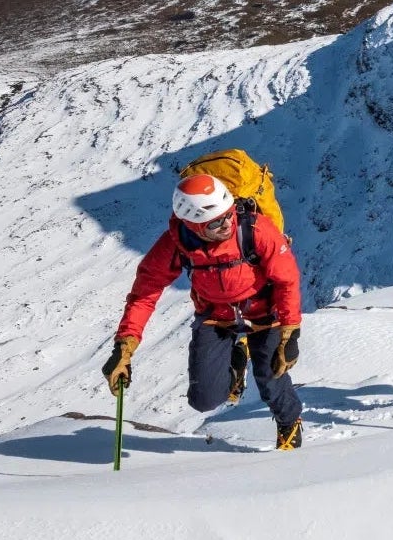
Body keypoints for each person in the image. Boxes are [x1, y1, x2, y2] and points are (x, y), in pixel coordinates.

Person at [100, 173, 305, 450]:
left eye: (229, 214)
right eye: (216, 222)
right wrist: (124, 348)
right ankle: (236, 361)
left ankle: (289, 423)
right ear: (192, 225)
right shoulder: (176, 244)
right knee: (204, 400)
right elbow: (144, 294)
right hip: (216, 318)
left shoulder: (255, 229)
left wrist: (290, 331)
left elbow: (286, 278)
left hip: (264, 313)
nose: (227, 223)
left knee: (271, 377)